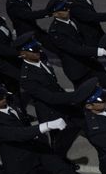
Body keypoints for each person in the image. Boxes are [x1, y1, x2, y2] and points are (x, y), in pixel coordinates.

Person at [15, 32, 85, 164]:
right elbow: (49, 97)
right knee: (59, 141)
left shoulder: (41, 58)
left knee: (79, 121)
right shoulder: (27, 78)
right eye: (34, 50)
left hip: (61, 100)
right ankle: (59, 163)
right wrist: (75, 96)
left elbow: (54, 84)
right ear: (23, 54)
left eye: (38, 48)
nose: (39, 52)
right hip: (50, 110)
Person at [47, 0, 106, 87]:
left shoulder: (72, 19)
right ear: (55, 14)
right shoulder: (55, 32)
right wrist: (97, 51)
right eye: (63, 9)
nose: (67, 10)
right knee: (87, 95)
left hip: (89, 62)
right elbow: (75, 49)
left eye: (67, 7)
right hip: (78, 70)